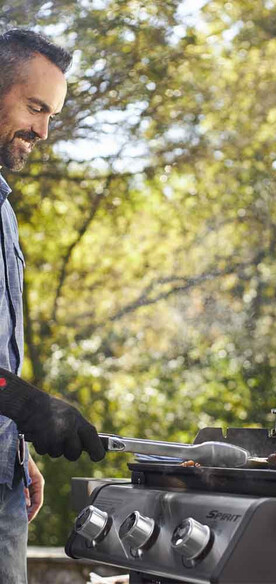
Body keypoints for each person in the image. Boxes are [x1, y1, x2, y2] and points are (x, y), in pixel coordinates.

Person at [0, 29, 106, 583]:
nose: (43, 130)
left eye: (52, 115)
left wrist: (15, 447)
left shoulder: (4, 211)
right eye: (35, 107)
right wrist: (24, 403)